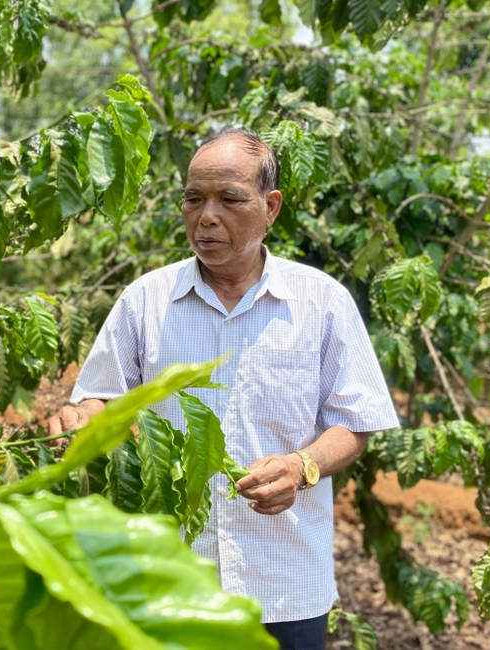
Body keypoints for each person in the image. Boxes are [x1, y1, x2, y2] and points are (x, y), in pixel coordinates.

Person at [47, 128, 398, 650]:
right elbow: (100, 395)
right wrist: (81, 418)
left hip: (284, 584)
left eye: (229, 199)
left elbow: (356, 421)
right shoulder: (146, 299)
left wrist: (303, 467)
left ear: (270, 206)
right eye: (194, 199)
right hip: (168, 581)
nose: (206, 217)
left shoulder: (321, 302)